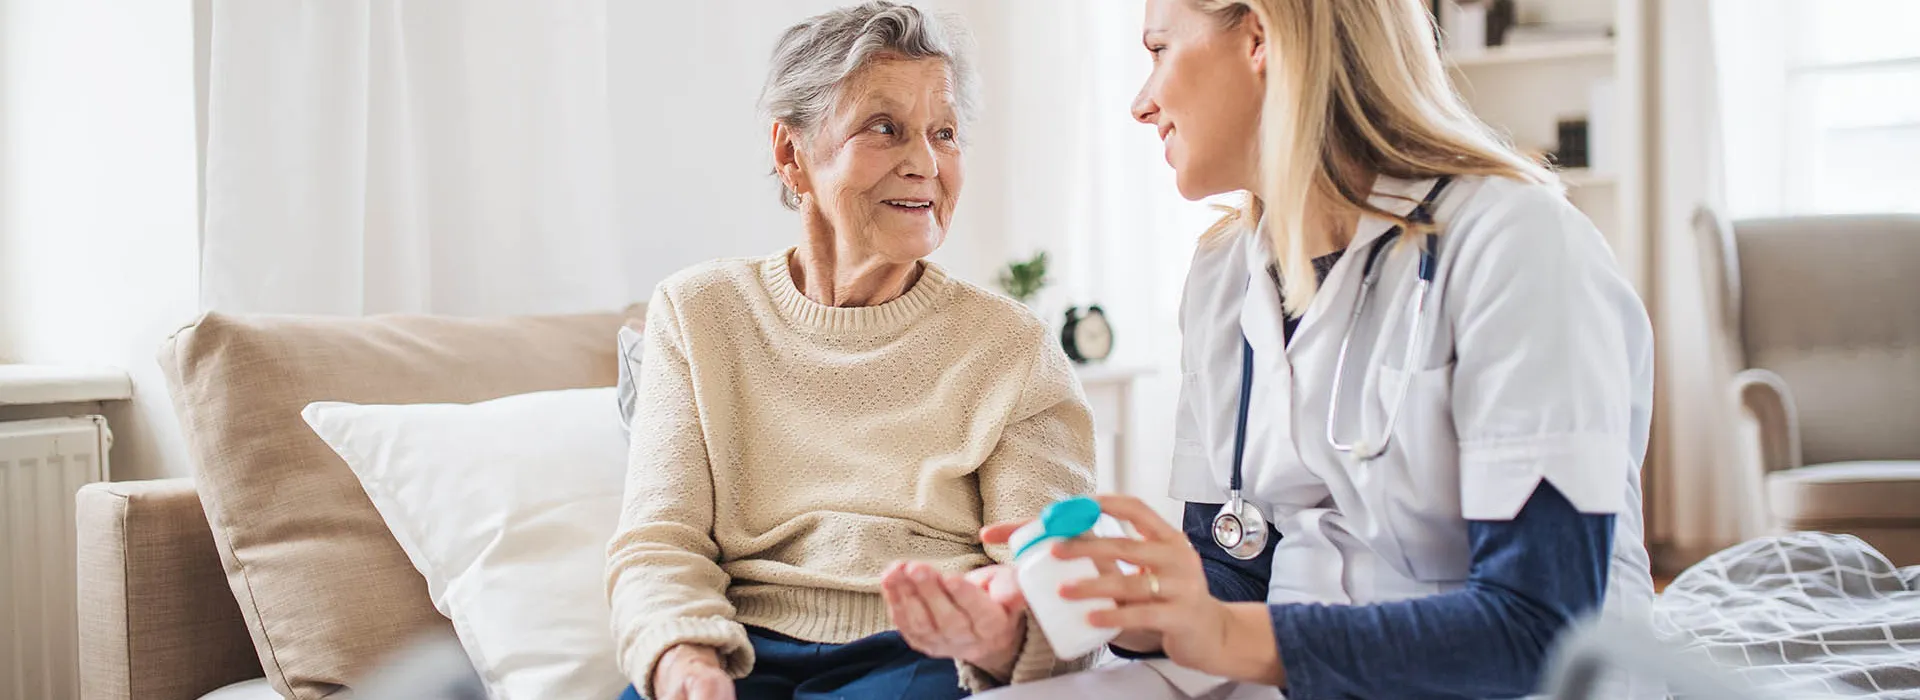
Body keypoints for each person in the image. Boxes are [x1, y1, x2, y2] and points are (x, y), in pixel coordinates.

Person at [925, 1, 1661, 698]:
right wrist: (1121, 609)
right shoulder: (1223, 274)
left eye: (1158, 49)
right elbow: (1235, 569)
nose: (1142, 102)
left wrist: (1219, 631)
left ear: (1260, 38)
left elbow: (1544, 628)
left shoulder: (1517, 243)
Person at [605, 3, 1096, 699]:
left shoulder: (1010, 347)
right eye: (884, 128)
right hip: (736, 650)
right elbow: (659, 540)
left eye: (945, 133)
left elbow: (1051, 573)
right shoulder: (699, 313)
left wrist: (999, 633)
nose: (924, 163)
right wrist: (683, 658)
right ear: (790, 154)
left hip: (925, 656)